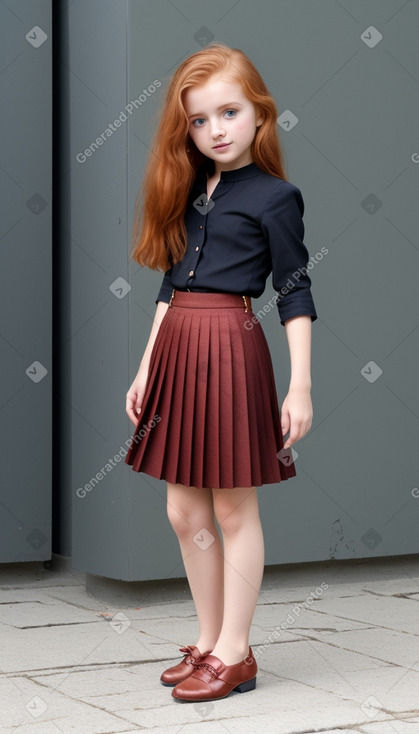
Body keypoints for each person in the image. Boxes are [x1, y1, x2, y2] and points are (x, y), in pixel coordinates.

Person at [124, 42, 318, 703]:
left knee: (233, 508)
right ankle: (209, 641)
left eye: (228, 112)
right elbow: (168, 285)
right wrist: (145, 367)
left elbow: (293, 290)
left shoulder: (275, 197)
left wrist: (300, 384)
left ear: (259, 114)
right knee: (184, 509)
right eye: (199, 121)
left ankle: (235, 654)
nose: (215, 130)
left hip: (231, 346)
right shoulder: (184, 191)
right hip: (178, 347)